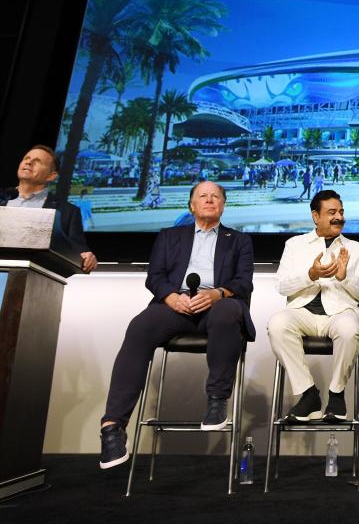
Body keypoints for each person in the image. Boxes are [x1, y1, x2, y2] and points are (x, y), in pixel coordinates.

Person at [97, 181, 255, 469]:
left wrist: (217, 293)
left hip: (217, 306)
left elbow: (243, 282)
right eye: (202, 196)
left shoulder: (239, 240)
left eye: (215, 196)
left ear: (223, 205)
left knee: (227, 311)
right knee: (140, 326)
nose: (209, 200)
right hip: (175, 306)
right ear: (192, 205)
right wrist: (171, 297)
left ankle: (217, 401)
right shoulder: (170, 236)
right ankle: (112, 427)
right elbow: (154, 276)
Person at [268, 190, 359, 421]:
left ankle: (336, 394)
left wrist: (344, 277)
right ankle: (308, 393)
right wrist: (310, 274)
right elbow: (281, 286)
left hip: (340, 314)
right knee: (277, 324)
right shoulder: (295, 244)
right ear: (316, 216)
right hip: (302, 313)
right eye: (331, 212)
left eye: (341, 212)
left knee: (348, 329)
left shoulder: (356, 249)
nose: (338, 217)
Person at [0, 144, 97, 273]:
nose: (29, 162)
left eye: (37, 161)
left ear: (51, 176)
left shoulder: (67, 212)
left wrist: (87, 257)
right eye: (26, 158)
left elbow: (80, 251)